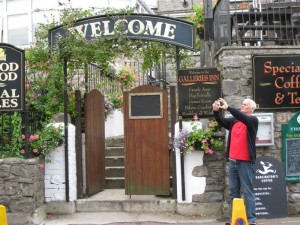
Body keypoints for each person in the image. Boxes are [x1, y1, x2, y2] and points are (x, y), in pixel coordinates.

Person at [212, 98, 258, 225]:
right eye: (242, 103)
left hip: (245, 163)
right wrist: (216, 112)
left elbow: (244, 118)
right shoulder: (234, 120)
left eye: (245, 104)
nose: (242, 105)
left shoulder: (252, 120)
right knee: (234, 192)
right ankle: (235, 219)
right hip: (233, 162)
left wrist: (228, 108)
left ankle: (251, 220)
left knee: (248, 192)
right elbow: (221, 121)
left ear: (252, 109)